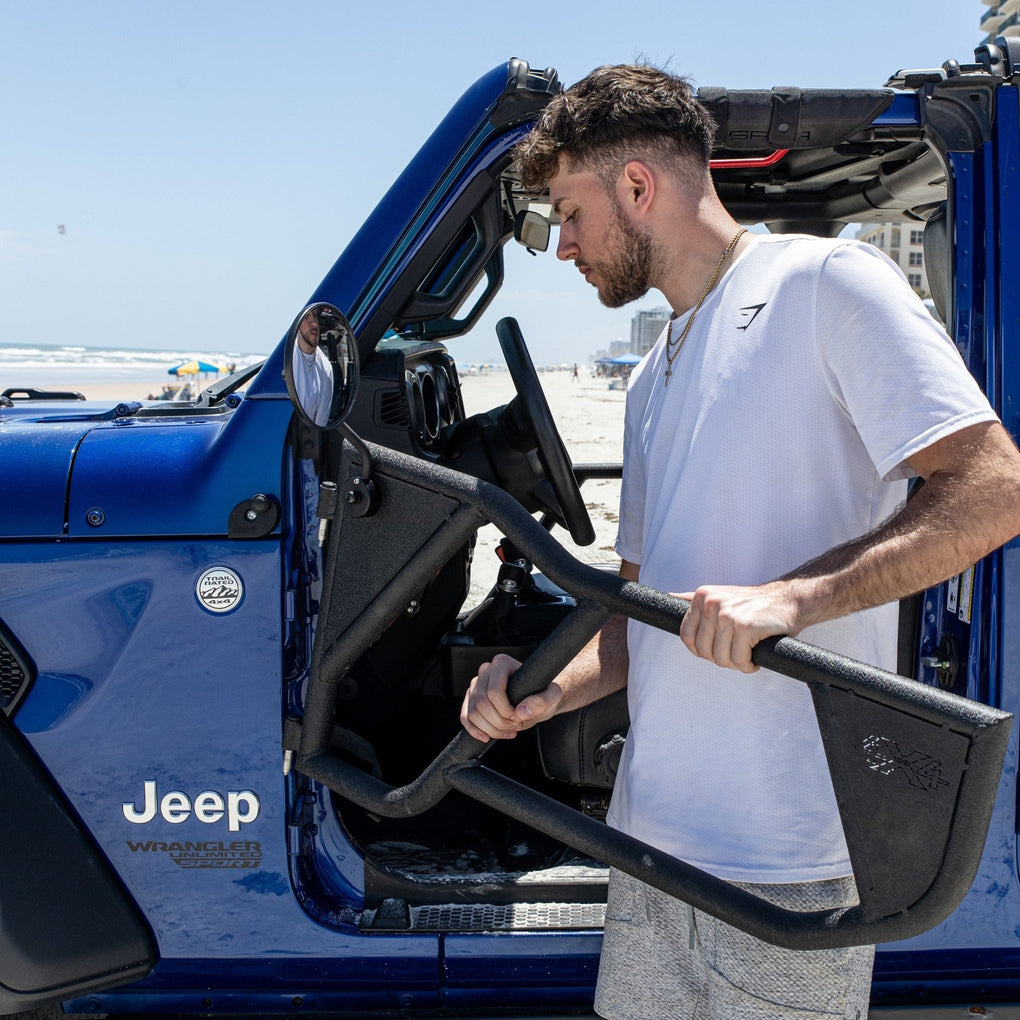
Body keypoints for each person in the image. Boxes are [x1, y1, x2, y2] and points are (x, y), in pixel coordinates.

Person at [461, 64, 1020, 1019]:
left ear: (638, 185)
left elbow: (991, 487)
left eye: (568, 214)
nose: (563, 249)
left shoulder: (824, 284)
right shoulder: (651, 377)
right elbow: (640, 606)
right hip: (651, 848)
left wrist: (792, 599)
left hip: (787, 862)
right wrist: (544, 689)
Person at [291, 307, 334, 427]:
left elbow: (319, 425)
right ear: (297, 323)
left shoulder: (326, 368)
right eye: (306, 317)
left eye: (315, 316)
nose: (314, 324)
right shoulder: (285, 358)